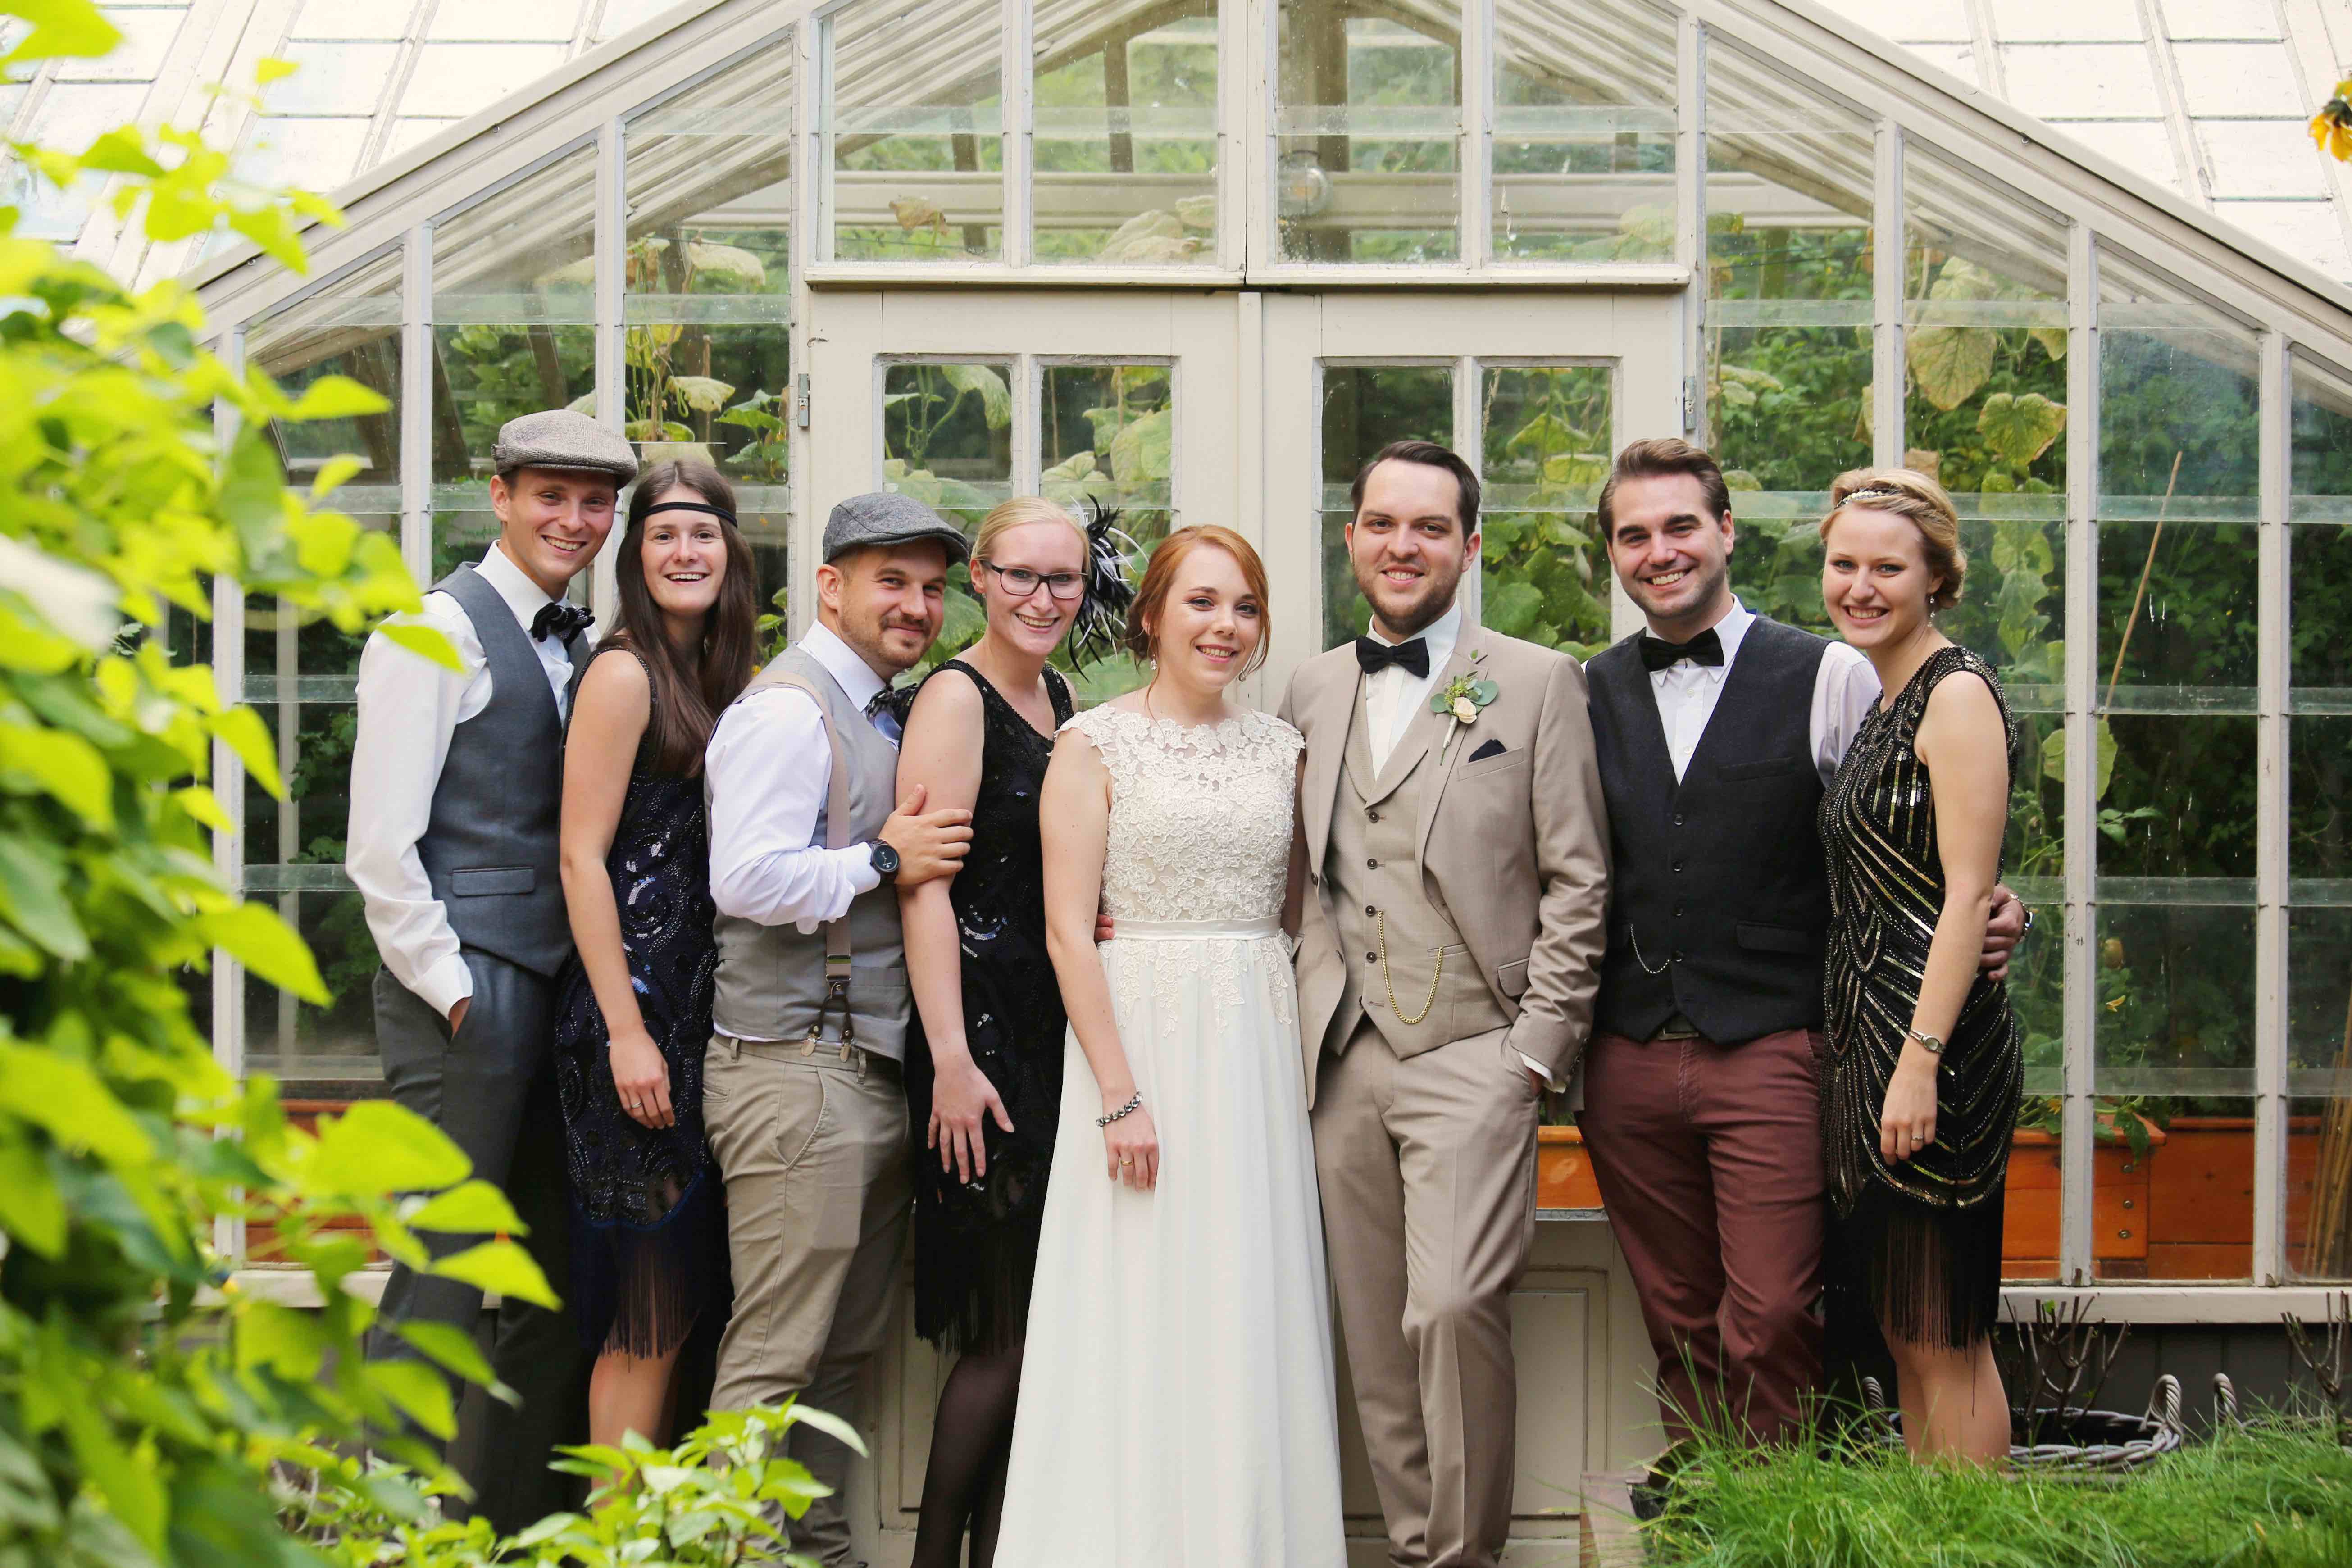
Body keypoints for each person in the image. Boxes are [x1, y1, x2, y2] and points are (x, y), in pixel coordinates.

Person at [1577, 439, 2024, 1454]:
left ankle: (1795, 1507)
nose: (1660, 550)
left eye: (1681, 525)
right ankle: (1714, 1511)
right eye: (1634, 534)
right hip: (1633, 1047)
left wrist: (2001, 910)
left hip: (1792, 1042)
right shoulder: (1585, 689)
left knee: (1789, 1310)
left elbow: (1943, 843)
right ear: (1612, 552)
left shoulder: (1835, 675)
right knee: (1685, 1318)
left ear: (1726, 531)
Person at [1282, 442, 1610, 1568]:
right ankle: (1417, 1545)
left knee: (1454, 1306)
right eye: (1381, 523)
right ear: (1351, 539)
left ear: (1469, 546)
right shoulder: (1312, 686)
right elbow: (1305, 875)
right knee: (1377, 1335)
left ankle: (1464, 1557)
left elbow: (1579, 876)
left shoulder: (1537, 679)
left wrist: (1535, 1051)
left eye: (1429, 527)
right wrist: (1314, 1005)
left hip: (1478, 1046)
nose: (1402, 545)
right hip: (1344, 1057)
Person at [993, 526, 1347, 1568]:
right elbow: (1068, 931)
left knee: (1244, 1302)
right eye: (1201, 602)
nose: (1224, 626)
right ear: (1151, 615)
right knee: (1135, 1300)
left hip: (1252, 1048)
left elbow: (1296, 915)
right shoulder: (1093, 745)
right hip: (1136, 1043)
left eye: (1244, 606)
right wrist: (1119, 1094)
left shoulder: (1282, 750)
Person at [346, 408, 634, 1531]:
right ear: (500, 496)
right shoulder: (429, 632)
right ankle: (378, 1537)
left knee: (556, 1282)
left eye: (595, 502)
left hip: (563, 997)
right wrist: (456, 989)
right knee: (444, 1271)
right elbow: (380, 848)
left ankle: (514, 1535)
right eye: (550, 496)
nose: (574, 520)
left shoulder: (591, 644)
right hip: (464, 997)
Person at [700, 491, 977, 1565]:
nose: (916, 605)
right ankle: (728, 1553)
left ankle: (814, 1552)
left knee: (843, 1354)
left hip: (862, 1070)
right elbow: (746, 877)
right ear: (829, 586)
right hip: (791, 1070)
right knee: (776, 1353)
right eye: (890, 581)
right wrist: (882, 859)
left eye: (931, 587)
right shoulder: (788, 711)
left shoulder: (882, 709)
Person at [895, 497, 1100, 1568]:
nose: (1042, 597)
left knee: (1040, 1334)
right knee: (1002, 1337)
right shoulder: (954, 696)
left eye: (1063, 578)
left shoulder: (1059, 695)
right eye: (1021, 574)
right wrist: (950, 1060)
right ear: (980, 576)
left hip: (1046, 1034)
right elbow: (922, 887)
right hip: (977, 1050)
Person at [1816, 468, 2023, 1464]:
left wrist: (1918, 1061)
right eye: (1842, 563)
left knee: (1944, 1333)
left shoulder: (1957, 694)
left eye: (1887, 568)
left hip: (1931, 1049)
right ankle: (1930, 1525)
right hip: (1873, 1042)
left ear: (1936, 576)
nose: (1859, 586)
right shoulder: (1885, 695)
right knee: (1908, 1328)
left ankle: (1970, 1533)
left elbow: (1967, 894)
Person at [552, 459, 756, 1449]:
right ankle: (617, 1528)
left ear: (732, 550)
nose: (685, 552)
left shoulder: (724, 677)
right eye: (664, 534)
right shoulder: (624, 672)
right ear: (635, 554)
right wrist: (627, 1032)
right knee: (647, 1317)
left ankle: (652, 1523)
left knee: (682, 1313)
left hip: (697, 1018)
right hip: (628, 1022)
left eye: (703, 533)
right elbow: (579, 857)